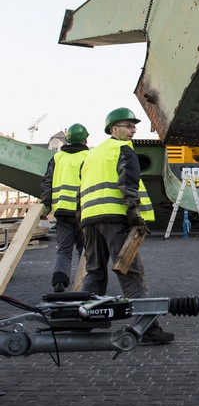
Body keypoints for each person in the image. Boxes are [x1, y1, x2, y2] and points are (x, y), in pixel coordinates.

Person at [79, 107, 173, 345]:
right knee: (130, 271)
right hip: (114, 217)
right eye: (128, 126)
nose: (133, 130)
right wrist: (133, 212)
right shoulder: (123, 149)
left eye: (134, 126)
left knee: (94, 272)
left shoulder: (93, 154)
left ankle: (82, 319)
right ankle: (148, 327)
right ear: (114, 129)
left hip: (90, 220)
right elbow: (128, 181)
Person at [39, 123, 89, 292]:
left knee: (64, 250)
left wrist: (45, 205)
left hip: (62, 211)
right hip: (84, 211)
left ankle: (59, 282)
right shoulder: (90, 157)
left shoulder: (57, 158)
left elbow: (47, 183)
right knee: (85, 250)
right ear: (85, 140)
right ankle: (85, 285)